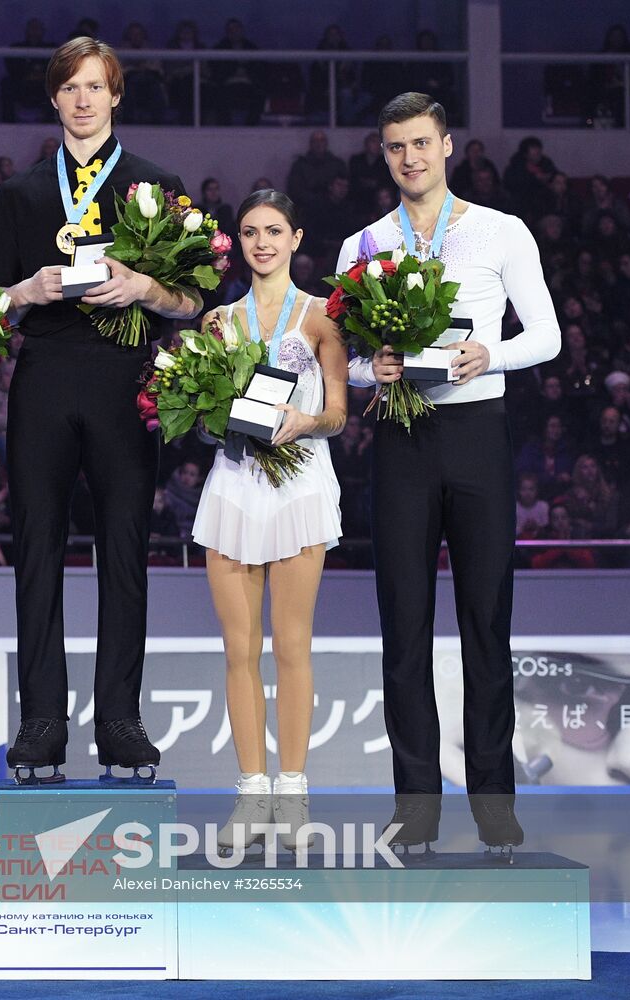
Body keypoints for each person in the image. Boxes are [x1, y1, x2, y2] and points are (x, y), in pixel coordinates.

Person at [340, 93, 561, 855]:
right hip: (401, 441)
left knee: (484, 627)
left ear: (447, 145)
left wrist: (486, 354)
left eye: (421, 144)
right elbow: (351, 364)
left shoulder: (501, 231)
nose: (410, 158)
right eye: (396, 146)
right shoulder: (361, 244)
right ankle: (415, 807)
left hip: (476, 435)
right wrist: (379, 368)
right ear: (383, 152)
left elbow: (547, 336)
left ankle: (493, 805)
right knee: (401, 631)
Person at [0, 38, 201, 782]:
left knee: (124, 552)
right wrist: (26, 292)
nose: (82, 99)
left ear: (116, 97)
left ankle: (119, 720)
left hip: (123, 381)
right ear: (53, 98)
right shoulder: (18, 194)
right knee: (36, 550)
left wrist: (144, 287)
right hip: (43, 378)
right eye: (69, 87)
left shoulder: (156, 186)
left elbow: (192, 300)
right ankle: (41, 720)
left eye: (95, 87)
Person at [191, 189, 346, 853]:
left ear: (294, 237)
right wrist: (211, 418)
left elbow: (338, 412)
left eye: (273, 231)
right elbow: (197, 418)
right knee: (238, 651)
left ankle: (291, 792)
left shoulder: (319, 318)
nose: (261, 242)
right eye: (250, 231)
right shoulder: (215, 323)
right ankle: (249, 793)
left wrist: (303, 422)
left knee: (290, 647)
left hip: (298, 489)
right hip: (232, 488)